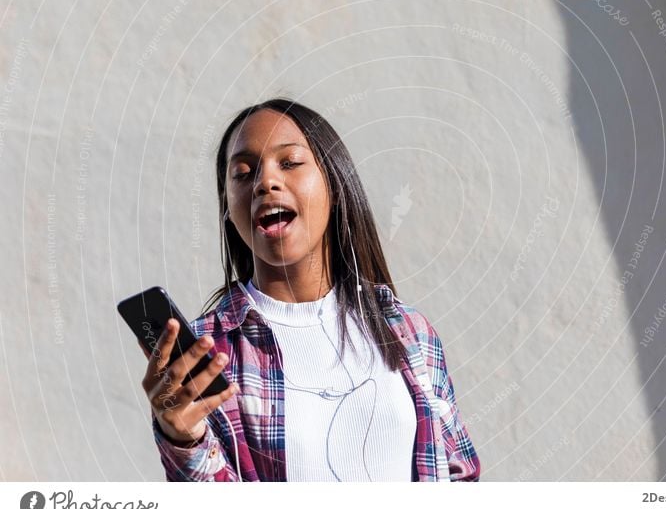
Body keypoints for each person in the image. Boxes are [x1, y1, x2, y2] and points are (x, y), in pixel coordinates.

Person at [139, 98, 480, 481]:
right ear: (228, 208)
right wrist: (184, 439)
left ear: (334, 183)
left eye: (289, 163)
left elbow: (460, 475)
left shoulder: (409, 330)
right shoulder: (207, 354)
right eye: (242, 173)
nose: (265, 182)